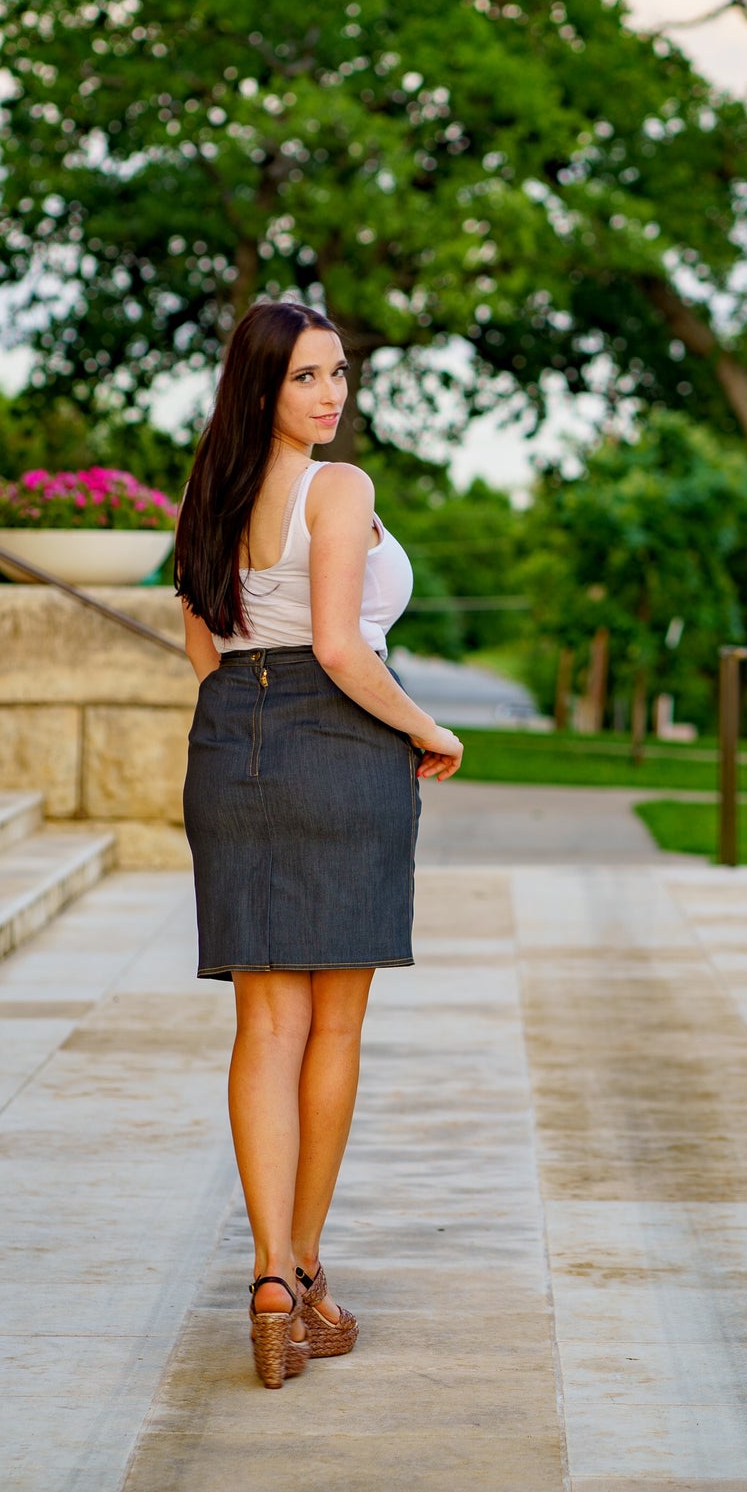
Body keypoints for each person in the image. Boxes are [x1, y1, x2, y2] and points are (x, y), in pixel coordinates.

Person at [174, 299, 465, 1388]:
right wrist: (426, 728)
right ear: (261, 389)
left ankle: (266, 1277)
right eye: (305, 376)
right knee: (330, 1029)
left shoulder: (206, 496)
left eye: (337, 372)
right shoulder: (338, 490)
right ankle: (297, 1277)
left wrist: (251, 729)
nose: (331, 394)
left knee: (264, 1022)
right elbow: (342, 648)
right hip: (339, 746)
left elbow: (205, 656)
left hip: (231, 747)